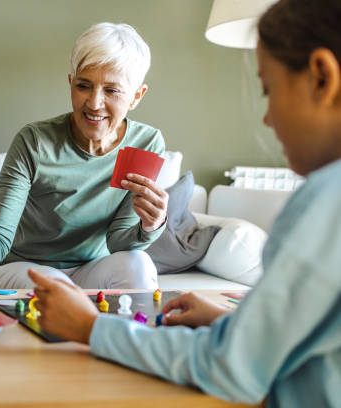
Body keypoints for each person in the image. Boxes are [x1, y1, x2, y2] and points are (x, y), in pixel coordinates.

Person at [28, 0, 341, 406]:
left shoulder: (324, 205)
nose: (267, 119)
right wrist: (231, 322)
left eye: (269, 90)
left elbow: (229, 369)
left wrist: (90, 328)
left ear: (321, 77)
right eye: (84, 85)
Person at [0, 23, 169, 289]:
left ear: (136, 96)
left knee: (139, 263)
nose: (94, 103)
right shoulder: (34, 141)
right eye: (83, 85)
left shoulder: (146, 143)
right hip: (22, 269)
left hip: (90, 270)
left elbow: (120, 243)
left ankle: (125, 331)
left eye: (111, 91)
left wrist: (151, 225)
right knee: (54, 286)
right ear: (70, 83)